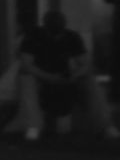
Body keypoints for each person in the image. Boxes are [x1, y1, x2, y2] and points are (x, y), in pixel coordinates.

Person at [17, 10, 89, 142]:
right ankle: (33, 126)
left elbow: (85, 64)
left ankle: (104, 126)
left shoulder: (72, 36)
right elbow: (26, 65)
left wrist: (75, 75)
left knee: (89, 80)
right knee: (27, 78)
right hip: (39, 76)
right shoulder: (33, 35)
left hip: (63, 76)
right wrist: (48, 77)